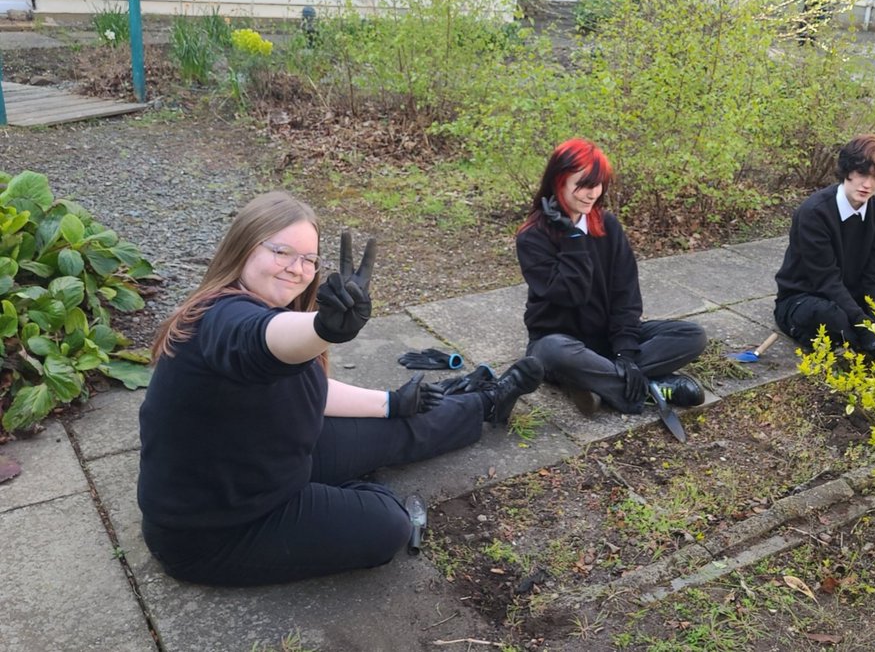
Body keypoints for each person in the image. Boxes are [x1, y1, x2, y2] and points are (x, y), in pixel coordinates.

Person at [137, 191, 544, 587]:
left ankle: (487, 401)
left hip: (269, 459)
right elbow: (260, 340)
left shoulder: (271, 310)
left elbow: (310, 387)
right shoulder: (221, 319)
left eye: (309, 259)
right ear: (244, 247)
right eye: (281, 252)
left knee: (401, 423)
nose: (297, 269)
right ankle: (344, 498)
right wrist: (323, 328)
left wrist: (392, 403)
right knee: (387, 525)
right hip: (218, 528)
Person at [516, 138, 707, 416]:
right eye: (581, 184)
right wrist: (572, 238)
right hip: (560, 340)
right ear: (558, 180)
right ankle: (648, 387)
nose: (591, 193)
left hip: (606, 338)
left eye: (597, 184)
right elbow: (572, 295)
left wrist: (626, 354)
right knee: (551, 353)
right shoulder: (532, 237)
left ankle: (601, 383)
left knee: (691, 335)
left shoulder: (608, 226)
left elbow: (625, 295)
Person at [774, 134, 875, 361]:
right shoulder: (814, 212)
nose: (867, 184)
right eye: (862, 174)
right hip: (805, 297)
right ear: (847, 171)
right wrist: (863, 324)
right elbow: (825, 280)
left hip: (851, 296)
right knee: (832, 318)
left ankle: (864, 340)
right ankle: (858, 342)